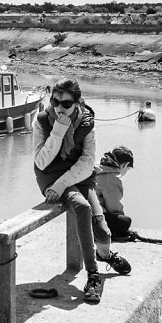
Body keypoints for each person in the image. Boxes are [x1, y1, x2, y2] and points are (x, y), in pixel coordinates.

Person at [33, 78, 130, 304]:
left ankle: (104, 254)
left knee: (104, 233)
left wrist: (64, 183)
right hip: (51, 175)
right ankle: (93, 275)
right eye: (55, 101)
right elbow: (40, 162)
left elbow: (87, 162)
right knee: (81, 206)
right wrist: (57, 133)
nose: (59, 108)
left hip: (80, 176)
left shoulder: (87, 124)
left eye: (66, 104)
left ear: (77, 103)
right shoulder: (42, 121)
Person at [92, 146, 136, 242]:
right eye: (127, 169)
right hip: (95, 218)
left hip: (86, 213)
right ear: (125, 165)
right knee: (125, 222)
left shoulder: (99, 169)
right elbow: (113, 207)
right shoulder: (112, 178)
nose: (125, 173)